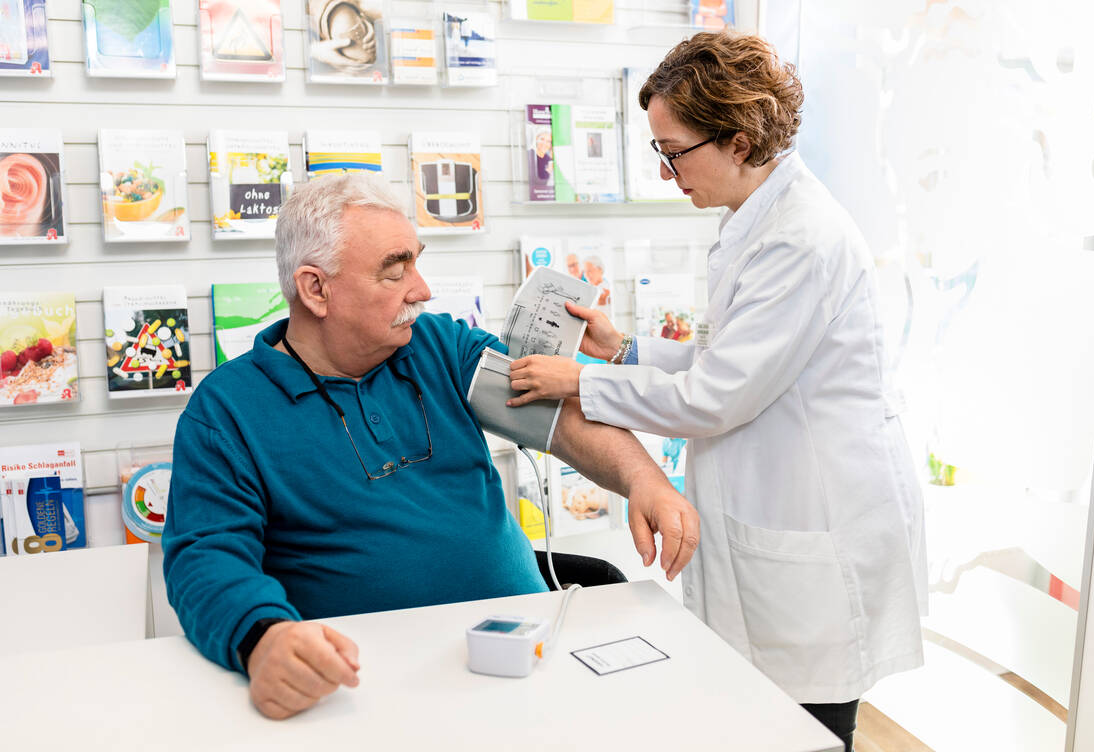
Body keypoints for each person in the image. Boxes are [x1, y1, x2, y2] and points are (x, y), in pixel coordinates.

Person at [506, 30, 926, 751]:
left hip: (815, 523)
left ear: (737, 140)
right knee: (755, 713)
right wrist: (626, 349)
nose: (668, 173)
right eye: (659, 154)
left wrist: (582, 380)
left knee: (810, 729)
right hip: (777, 506)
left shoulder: (801, 238)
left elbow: (715, 398)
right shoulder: (756, 221)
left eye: (675, 152)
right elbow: (732, 362)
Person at [163, 172, 698, 721]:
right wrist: (263, 638)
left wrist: (644, 481)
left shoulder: (439, 344)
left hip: (525, 660)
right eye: (395, 271)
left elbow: (557, 415)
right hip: (378, 694)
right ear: (315, 289)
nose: (422, 289)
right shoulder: (228, 411)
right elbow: (206, 558)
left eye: (417, 262)